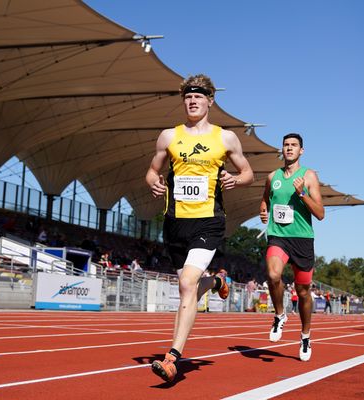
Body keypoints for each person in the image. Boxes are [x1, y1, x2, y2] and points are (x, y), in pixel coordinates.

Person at [145, 74, 254, 382]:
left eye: (198, 96)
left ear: (210, 100)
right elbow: (152, 171)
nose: (192, 101)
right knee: (190, 287)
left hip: (209, 220)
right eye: (188, 97)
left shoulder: (226, 138)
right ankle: (217, 282)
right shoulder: (169, 136)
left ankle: (172, 358)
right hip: (175, 223)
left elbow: (247, 172)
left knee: (186, 285)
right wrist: (154, 183)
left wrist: (235, 179)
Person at [259, 132, 325, 362]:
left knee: (303, 291)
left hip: (302, 240)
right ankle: (280, 315)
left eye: (294, 145)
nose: (289, 148)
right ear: (282, 149)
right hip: (278, 236)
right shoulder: (272, 176)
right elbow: (266, 198)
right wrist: (263, 209)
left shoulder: (309, 176)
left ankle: (305, 335)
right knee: (273, 274)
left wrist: (303, 194)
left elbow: (320, 213)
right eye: (286, 145)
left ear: (301, 151)